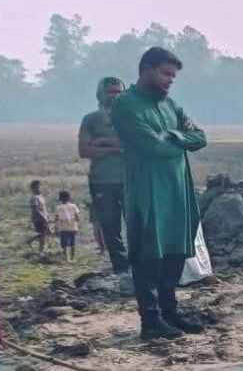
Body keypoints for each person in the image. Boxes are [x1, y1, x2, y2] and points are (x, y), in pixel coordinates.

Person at [110, 47, 208, 341]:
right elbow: (152, 146)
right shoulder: (125, 105)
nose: (170, 81)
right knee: (149, 254)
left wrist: (174, 136)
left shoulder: (172, 106)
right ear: (146, 70)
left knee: (175, 251)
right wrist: (178, 140)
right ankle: (150, 321)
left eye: (173, 76)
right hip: (147, 191)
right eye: (165, 74)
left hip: (178, 190)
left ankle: (170, 311)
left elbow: (200, 138)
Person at [79, 76, 131, 281]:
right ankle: (121, 269)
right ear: (101, 94)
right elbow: (84, 150)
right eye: (111, 92)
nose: (115, 96)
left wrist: (102, 143)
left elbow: (132, 146)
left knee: (136, 225)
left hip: (129, 179)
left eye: (118, 92)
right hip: (101, 180)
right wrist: (117, 147)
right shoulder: (90, 119)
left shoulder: (131, 118)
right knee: (110, 228)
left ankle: (139, 267)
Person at [54, 191, 81, 263]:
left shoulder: (58, 207)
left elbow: (56, 218)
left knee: (64, 244)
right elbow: (77, 217)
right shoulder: (74, 206)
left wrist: (55, 227)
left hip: (63, 228)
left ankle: (66, 258)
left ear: (60, 199)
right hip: (73, 227)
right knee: (73, 243)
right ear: (69, 198)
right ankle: (72, 258)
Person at [26, 182, 50, 255]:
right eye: (37, 187)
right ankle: (41, 251)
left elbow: (43, 208)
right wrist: (44, 218)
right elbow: (36, 209)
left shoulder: (41, 196)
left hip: (43, 218)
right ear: (33, 188)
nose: (39, 188)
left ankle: (31, 241)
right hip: (38, 219)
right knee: (43, 235)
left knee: (44, 234)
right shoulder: (34, 198)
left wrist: (47, 215)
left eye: (39, 187)